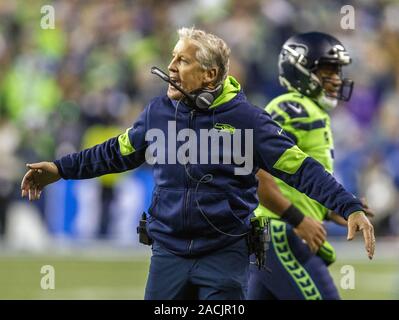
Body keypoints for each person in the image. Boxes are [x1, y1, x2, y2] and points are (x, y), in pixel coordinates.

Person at [21, 27, 375, 300]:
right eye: (173, 57)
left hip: (224, 256)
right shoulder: (158, 113)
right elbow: (114, 152)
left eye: (183, 60)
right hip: (167, 254)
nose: (171, 66)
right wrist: (60, 168)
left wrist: (349, 206)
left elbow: (302, 169)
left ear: (209, 75)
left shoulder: (247, 120)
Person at [248, 32, 374, 300]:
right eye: (327, 70)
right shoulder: (292, 108)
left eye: (337, 71)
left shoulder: (311, 110)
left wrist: (330, 209)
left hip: (271, 234)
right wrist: (297, 218)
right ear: (300, 70)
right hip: (279, 232)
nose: (336, 79)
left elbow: (292, 178)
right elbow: (256, 172)